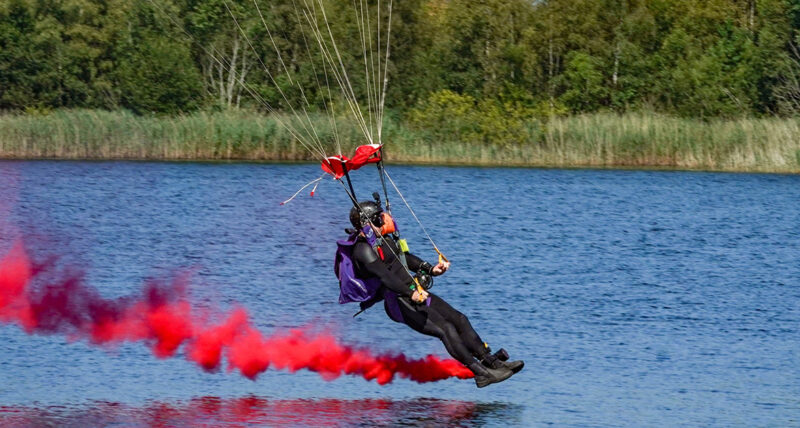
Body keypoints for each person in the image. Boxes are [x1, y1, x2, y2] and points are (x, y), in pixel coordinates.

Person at [340, 200, 523, 388]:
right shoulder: (363, 250)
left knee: (460, 319)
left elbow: (405, 258)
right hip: (399, 301)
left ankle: (493, 363)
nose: (384, 220)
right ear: (367, 221)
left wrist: (429, 269)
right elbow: (386, 277)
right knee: (446, 329)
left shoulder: (382, 239)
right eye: (378, 218)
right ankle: (482, 374)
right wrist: (410, 292)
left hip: (415, 291)